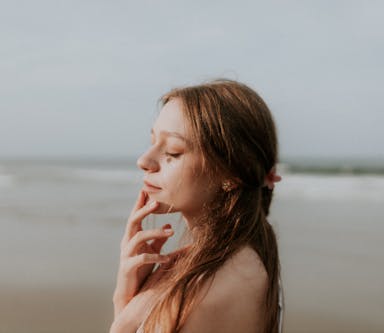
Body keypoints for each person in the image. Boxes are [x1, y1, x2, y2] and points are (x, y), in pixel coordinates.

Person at [110, 78, 284, 333]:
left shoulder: (206, 293)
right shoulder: (246, 254)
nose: (144, 160)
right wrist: (127, 297)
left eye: (173, 151)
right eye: (153, 142)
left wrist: (125, 321)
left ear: (231, 174)